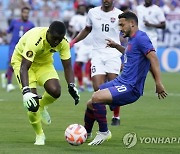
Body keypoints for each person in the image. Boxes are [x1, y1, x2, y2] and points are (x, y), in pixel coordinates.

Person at [85, 11, 167, 145]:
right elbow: (131, 54)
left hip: (131, 87)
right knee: (91, 102)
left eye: (122, 25)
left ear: (132, 23)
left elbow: (153, 57)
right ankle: (85, 133)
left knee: (97, 98)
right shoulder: (132, 39)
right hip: (121, 81)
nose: (120, 28)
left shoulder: (141, 38)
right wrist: (117, 46)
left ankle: (104, 132)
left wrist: (158, 82)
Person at [11, 21, 80, 145]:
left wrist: (71, 85)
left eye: (59, 39)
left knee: (56, 91)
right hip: (22, 62)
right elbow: (24, 67)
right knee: (32, 103)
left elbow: (68, 66)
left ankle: (42, 105)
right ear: (48, 33)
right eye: (54, 38)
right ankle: (39, 134)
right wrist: (26, 91)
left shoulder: (63, 42)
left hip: (44, 64)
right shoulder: (35, 39)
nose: (56, 42)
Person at [70, 0, 123, 126]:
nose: (106, 0)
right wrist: (73, 42)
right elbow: (87, 29)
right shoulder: (92, 12)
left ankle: (116, 116)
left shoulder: (120, 15)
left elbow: (126, 34)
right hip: (97, 54)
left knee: (114, 88)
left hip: (113, 54)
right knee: (98, 90)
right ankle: (102, 122)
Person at [1, 7, 35, 92]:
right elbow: (8, 31)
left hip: (24, 48)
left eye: (27, 13)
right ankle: (9, 84)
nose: (26, 15)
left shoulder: (31, 25)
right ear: (21, 13)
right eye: (24, 13)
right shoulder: (14, 22)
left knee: (20, 66)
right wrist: (3, 32)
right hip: (13, 46)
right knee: (11, 62)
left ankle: (5, 76)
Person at [68, 3, 93, 92]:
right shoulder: (77, 18)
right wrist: (73, 40)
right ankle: (81, 84)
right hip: (83, 44)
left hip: (94, 45)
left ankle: (88, 81)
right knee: (78, 64)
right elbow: (74, 29)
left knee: (90, 63)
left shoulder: (93, 18)